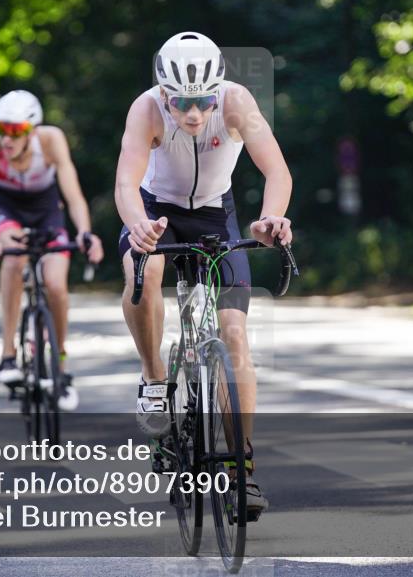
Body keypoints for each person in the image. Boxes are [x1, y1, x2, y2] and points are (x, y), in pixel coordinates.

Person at [114, 32, 293, 517]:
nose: (193, 114)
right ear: (164, 94)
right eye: (181, 103)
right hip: (156, 209)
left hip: (217, 213)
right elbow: (126, 183)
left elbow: (277, 172)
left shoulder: (237, 101)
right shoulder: (145, 109)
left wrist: (270, 219)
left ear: (218, 90)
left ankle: (242, 470)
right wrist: (138, 228)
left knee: (235, 337)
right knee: (143, 269)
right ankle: (154, 378)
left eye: (203, 101)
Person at [0, 90, 104, 411]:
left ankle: (59, 363)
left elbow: (72, 194)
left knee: (57, 284)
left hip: (47, 209)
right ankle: (7, 356)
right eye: (2, 128)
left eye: (16, 131)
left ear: (31, 129)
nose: (7, 138)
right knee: (14, 259)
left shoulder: (50, 140)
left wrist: (85, 233)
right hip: (8, 211)